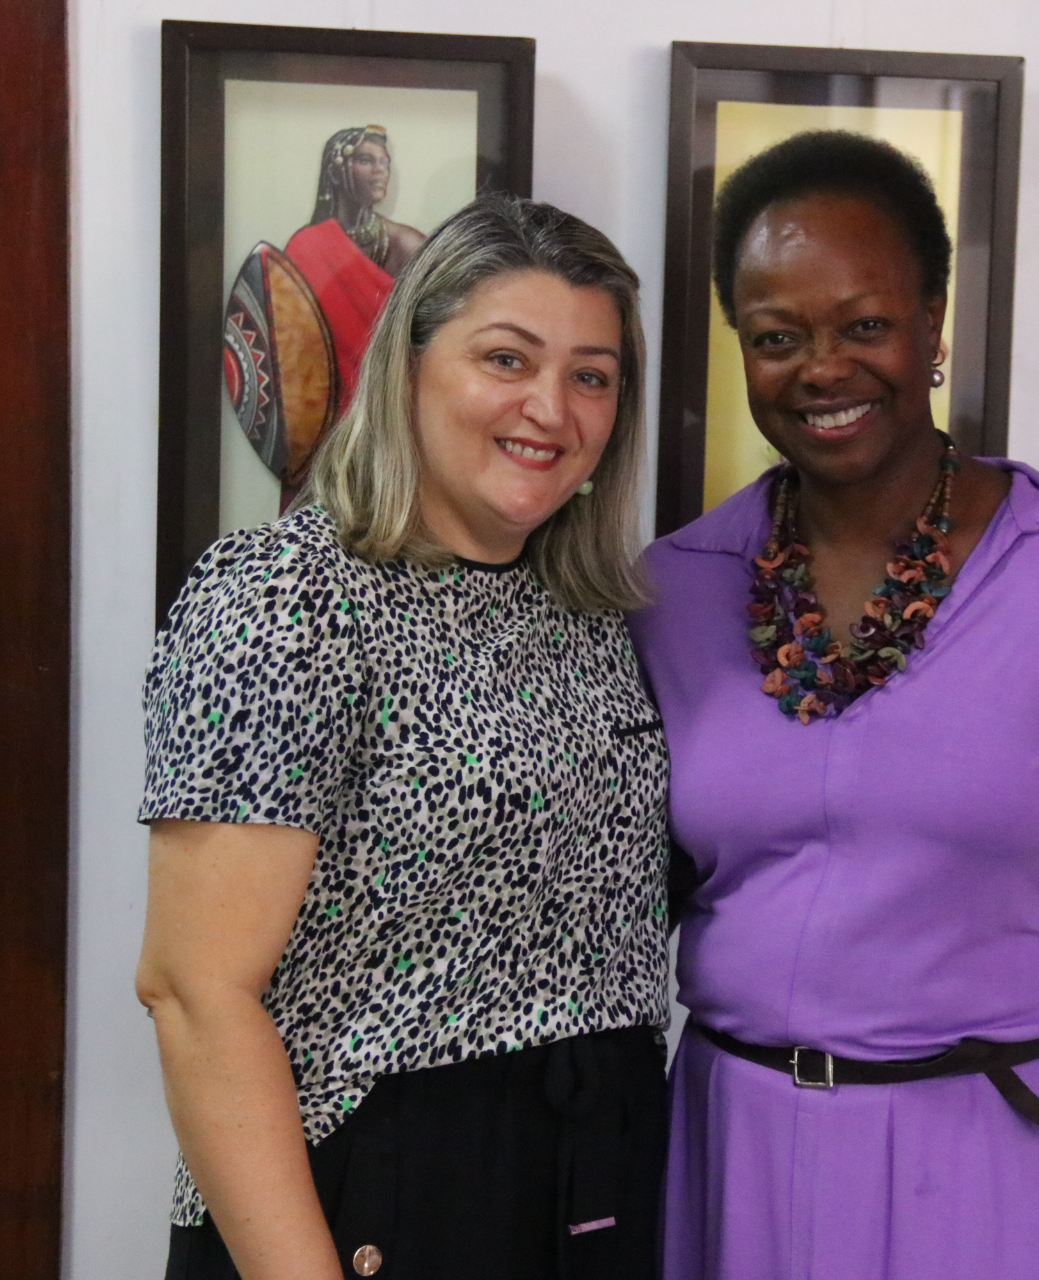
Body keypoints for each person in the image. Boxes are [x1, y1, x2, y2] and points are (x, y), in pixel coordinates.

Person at [629, 131, 1039, 1280]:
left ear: (934, 324)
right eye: (777, 336)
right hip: (739, 1157)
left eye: (864, 324)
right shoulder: (677, 589)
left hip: (1007, 1163)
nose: (823, 368)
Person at [137, 194, 671, 1280]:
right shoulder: (287, 598)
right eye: (506, 359)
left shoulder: (588, 612)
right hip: (372, 1188)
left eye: (592, 376)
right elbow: (195, 994)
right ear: (409, 364)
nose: (550, 408)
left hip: (594, 1175)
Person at [285, 125, 430, 413]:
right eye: (366, 160)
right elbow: (290, 343)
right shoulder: (304, 247)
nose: (380, 170)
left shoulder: (409, 245)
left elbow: (432, 335)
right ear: (335, 172)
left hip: (391, 407)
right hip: (319, 409)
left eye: (384, 162)